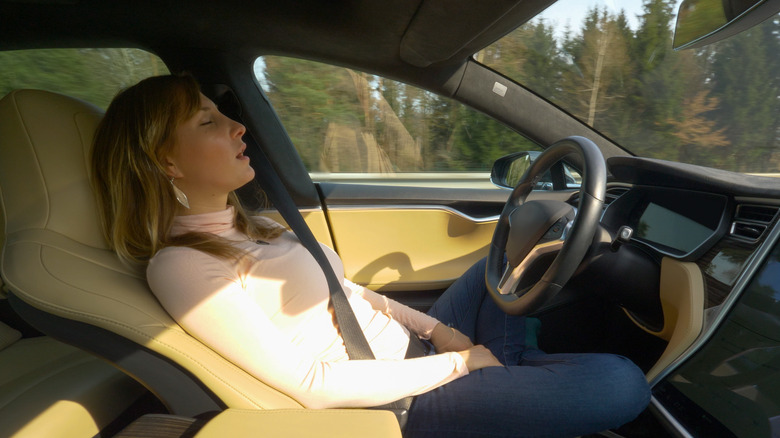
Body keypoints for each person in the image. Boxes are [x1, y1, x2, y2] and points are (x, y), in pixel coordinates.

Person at [91, 74, 650, 438]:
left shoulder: (253, 227)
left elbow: (353, 294)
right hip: (396, 400)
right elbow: (311, 386)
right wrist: (459, 364)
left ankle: (510, 379)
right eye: (208, 121)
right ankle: (509, 380)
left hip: (420, 349)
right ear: (166, 163)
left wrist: (444, 332)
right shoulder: (183, 265)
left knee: (505, 259)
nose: (238, 126)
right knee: (623, 384)